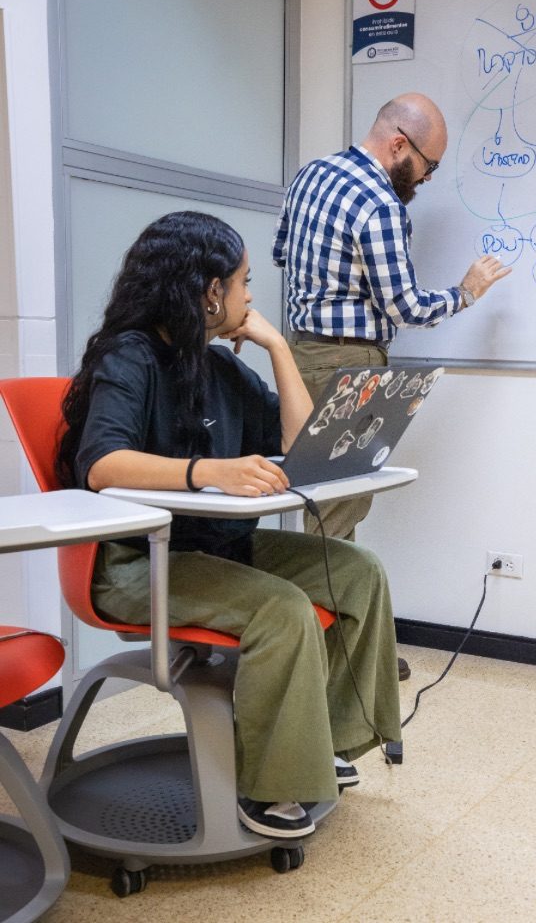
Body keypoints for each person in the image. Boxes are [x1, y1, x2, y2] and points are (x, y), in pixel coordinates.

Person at [56, 211, 401, 840]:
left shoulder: (216, 366)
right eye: (243, 282)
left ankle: (325, 739)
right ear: (211, 291)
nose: (249, 296)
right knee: (281, 608)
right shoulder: (129, 356)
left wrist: (275, 347)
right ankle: (268, 788)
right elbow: (102, 464)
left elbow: (301, 448)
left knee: (357, 571)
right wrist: (208, 472)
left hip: (218, 549)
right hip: (136, 564)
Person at [273, 92, 511, 680]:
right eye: (428, 166)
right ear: (399, 144)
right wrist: (466, 291)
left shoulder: (312, 174)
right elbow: (404, 305)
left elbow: (282, 253)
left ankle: (336, 648)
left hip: (300, 356)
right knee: (336, 516)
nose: (426, 180)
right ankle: (339, 661)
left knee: (322, 509)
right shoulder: (379, 203)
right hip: (347, 368)